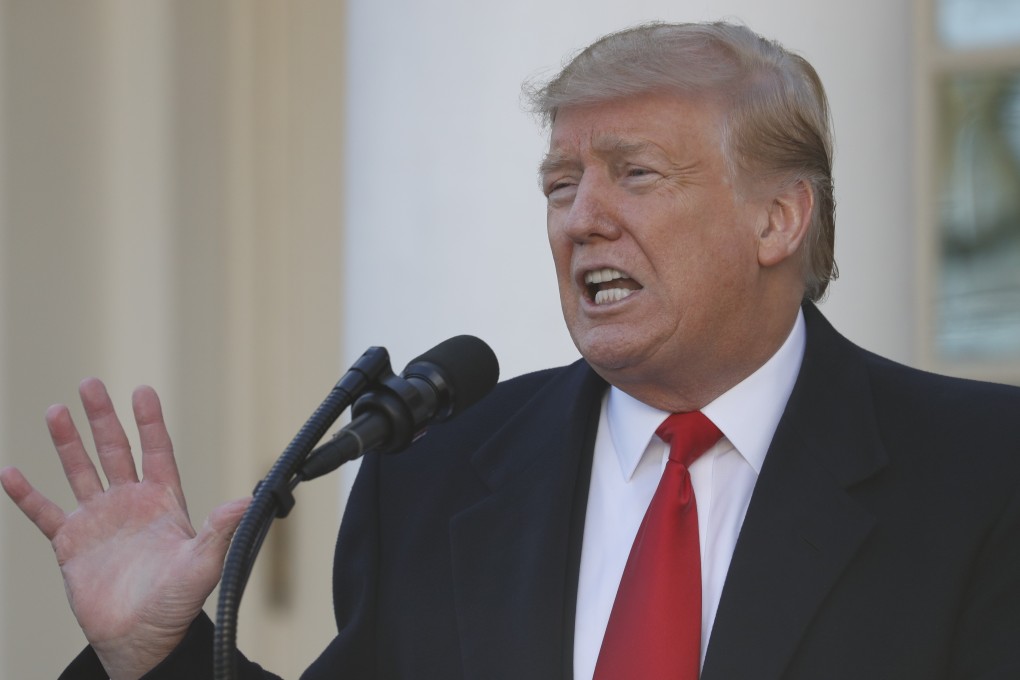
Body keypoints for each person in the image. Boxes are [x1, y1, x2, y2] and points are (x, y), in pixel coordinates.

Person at [3, 20, 1020, 680]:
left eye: (636, 172)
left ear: (778, 219)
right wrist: (152, 653)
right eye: (559, 184)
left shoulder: (983, 473)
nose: (582, 218)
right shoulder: (436, 472)